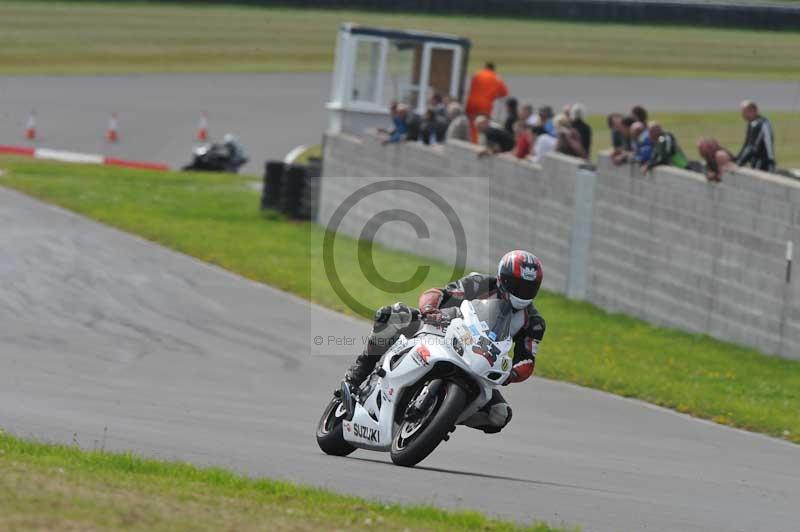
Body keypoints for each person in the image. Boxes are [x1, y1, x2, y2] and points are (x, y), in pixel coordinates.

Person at [341, 250, 546, 434]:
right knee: (393, 315)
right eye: (517, 285)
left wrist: (512, 374)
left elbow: (527, 360)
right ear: (503, 278)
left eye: (529, 288)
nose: (522, 292)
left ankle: (442, 416)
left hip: (478, 364)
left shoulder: (534, 322)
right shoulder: (480, 284)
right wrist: (430, 310)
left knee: (499, 414)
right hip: (443, 334)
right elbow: (440, 293)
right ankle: (358, 374)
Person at [465, 62, 509, 143]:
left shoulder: (477, 74)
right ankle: (478, 142)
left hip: (471, 103)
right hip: (484, 104)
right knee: (483, 124)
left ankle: (471, 140)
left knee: (472, 124)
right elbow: (504, 92)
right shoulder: (495, 77)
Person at [736, 100, 776, 173]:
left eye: (744, 112)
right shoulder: (751, 124)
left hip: (764, 161)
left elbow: (754, 147)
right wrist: (737, 158)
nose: (742, 115)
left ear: (752, 111)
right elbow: (746, 144)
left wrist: (740, 162)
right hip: (755, 160)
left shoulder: (762, 124)